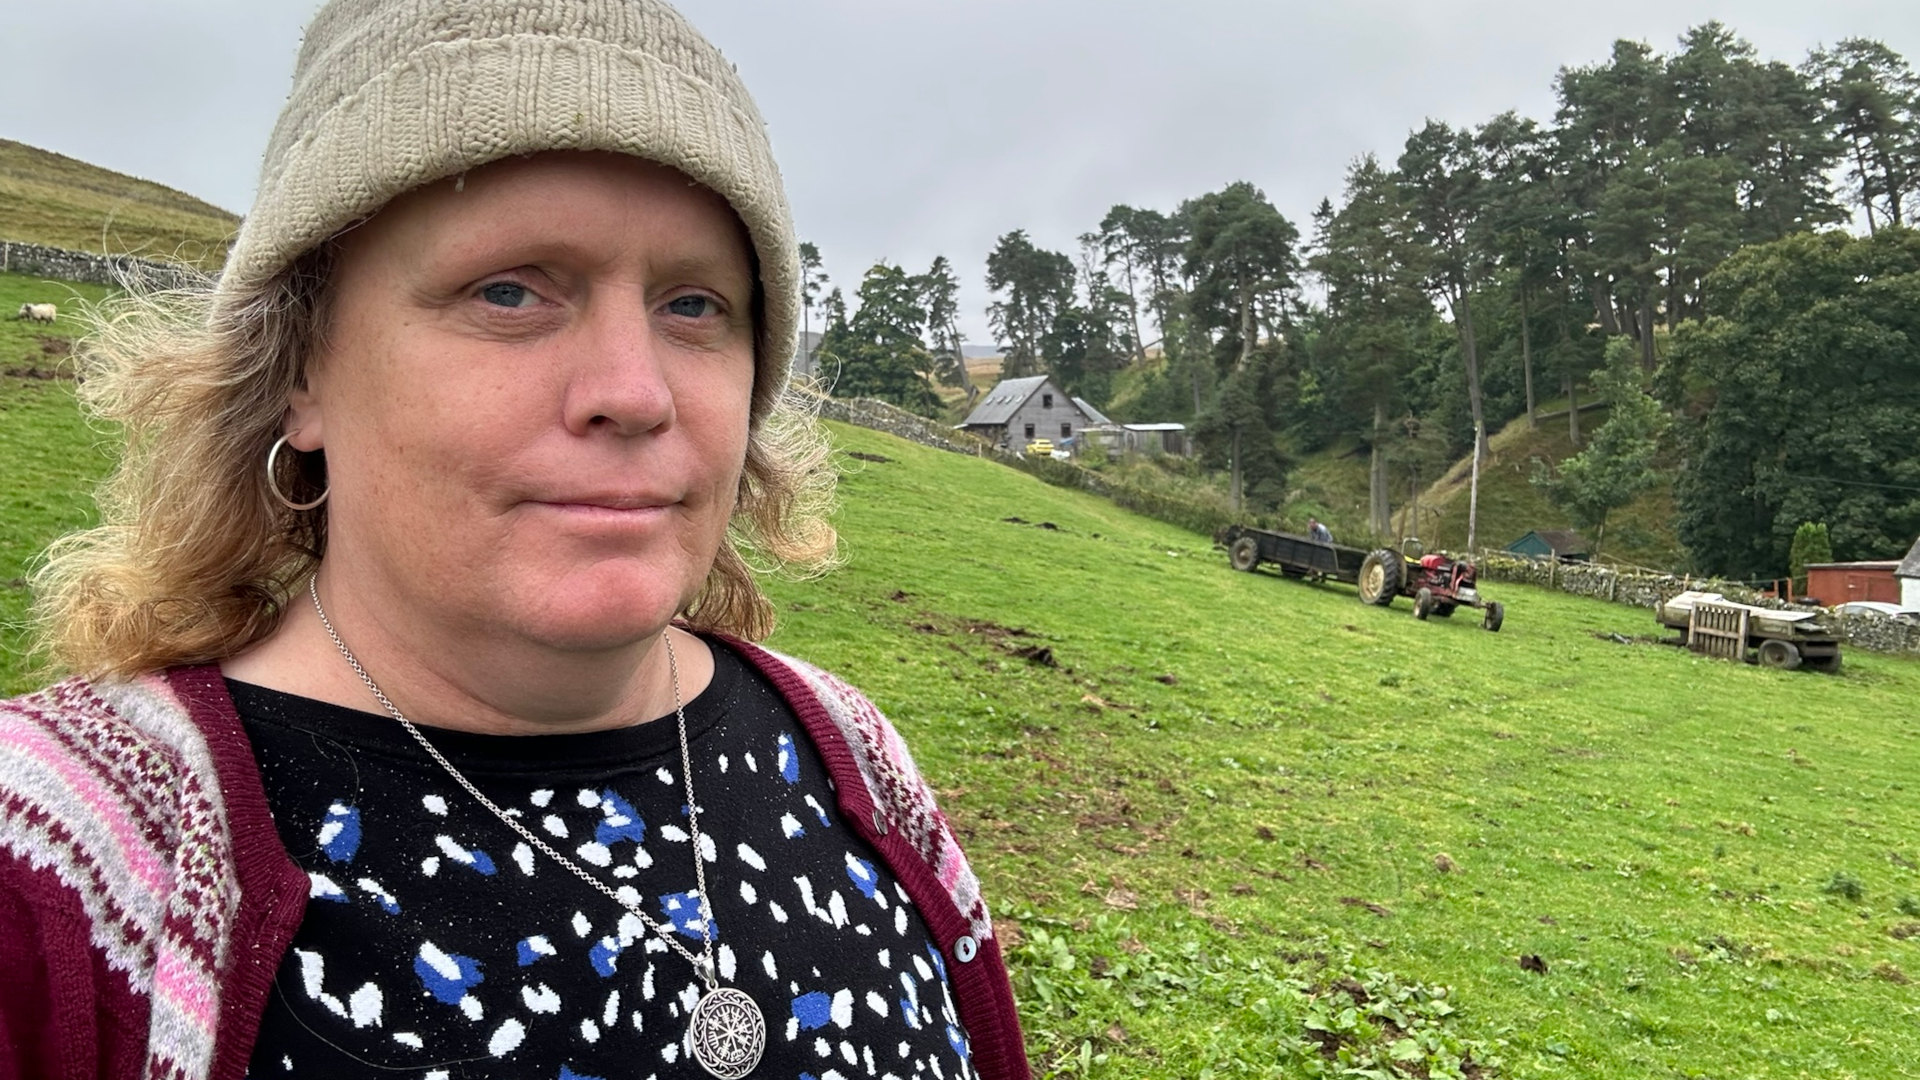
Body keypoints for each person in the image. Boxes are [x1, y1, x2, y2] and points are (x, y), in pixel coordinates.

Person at [0, 2, 1030, 1078]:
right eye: (510, 291)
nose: (634, 394)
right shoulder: (54, 864)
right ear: (300, 369)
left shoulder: (852, 756)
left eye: (693, 304)